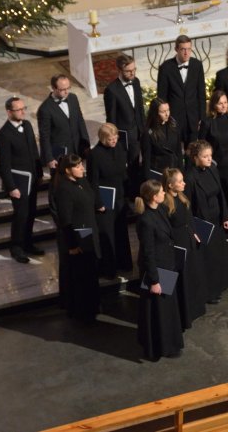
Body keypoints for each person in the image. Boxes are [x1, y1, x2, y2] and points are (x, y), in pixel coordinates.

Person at [135, 179, 184, 361]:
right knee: (157, 311)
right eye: (162, 192)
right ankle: (159, 347)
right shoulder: (146, 220)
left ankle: (170, 343)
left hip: (167, 265)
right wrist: (154, 281)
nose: (165, 194)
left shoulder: (161, 210)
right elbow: (148, 252)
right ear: (154, 197)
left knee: (167, 308)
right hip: (156, 271)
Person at [52, 154, 102, 322]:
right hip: (78, 234)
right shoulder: (64, 189)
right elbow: (66, 220)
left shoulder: (82, 181)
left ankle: (93, 306)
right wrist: (72, 245)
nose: (83, 168)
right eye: (78, 166)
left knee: (91, 271)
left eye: (82, 165)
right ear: (68, 170)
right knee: (81, 275)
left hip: (89, 231)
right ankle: (82, 311)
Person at [184, 140, 228, 303]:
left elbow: (221, 195)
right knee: (207, 259)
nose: (209, 159)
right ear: (195, 158)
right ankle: (209, 292)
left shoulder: (213, 169)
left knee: (218, 255)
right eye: (205, 156)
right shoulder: (189, 177)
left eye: (210, 156)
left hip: (217, 218)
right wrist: (193, 230)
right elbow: (188, 208)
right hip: (202, 223)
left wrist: (226, 216)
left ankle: (219, 285)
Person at [0, 96, 43, 263]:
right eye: (19, 109)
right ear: (9, 112)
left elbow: (34, 151)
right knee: (21, 215)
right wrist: (11, 187)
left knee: (31, 213)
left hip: (33, 179)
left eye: (24, 108)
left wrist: (39, 173)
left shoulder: (28, 125)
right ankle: (16, 247)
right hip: (19, 182)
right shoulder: (3, 135)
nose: (23, 112)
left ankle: (28, 243)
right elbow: (3, 164)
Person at [162, 168, 207, 329]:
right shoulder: (165, 203)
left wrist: (194, 232)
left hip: (188, 239)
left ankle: (193, 308)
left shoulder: (182, 196)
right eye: (180, 181)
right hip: (177, 242)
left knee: (191, 274)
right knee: (181, 278)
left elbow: (189, 217)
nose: (184, 183)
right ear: (170, 185)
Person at [86, 123, 132, 277]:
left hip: (119, 196)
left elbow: (124, 172)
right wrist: (98, 203)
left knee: (121, 232)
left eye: (115, 137)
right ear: (102, 139)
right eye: (110, 139)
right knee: (108, 234)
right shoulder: (94, 154)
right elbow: (93, 181)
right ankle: (109, 269)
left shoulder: (119, 147)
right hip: (104, 199)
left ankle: (124, 264)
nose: (114, 141)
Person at [200, 90, 228, 232]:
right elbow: (202, 145)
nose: (224, 106)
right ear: (213, 105)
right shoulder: (208, 123)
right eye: (220, 103)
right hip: (220, 166)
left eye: (225, 102)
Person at [104, 55, 145, 196]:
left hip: (140, 130)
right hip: (126, 136)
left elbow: (139, 108)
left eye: (134, 70)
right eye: (128, 71)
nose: (132, 73)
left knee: (141, 163)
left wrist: (144, 128)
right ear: (120, 70)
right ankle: (132, 195)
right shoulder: (112, 90)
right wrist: (116, 139)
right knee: (131, 167)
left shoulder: (136, 82)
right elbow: (111, 118)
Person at [157, 35, 206, 144]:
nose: (186, 52)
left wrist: (202, 118)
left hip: (193, 118)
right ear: (176, 49)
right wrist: (165, 118)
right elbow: (162, 96)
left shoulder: (197, 65)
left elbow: (201, 94)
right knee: (175, 153)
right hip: (174, 119)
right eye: (183, 49)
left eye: (189, 49)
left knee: (193, 152)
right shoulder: (166, 67)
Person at [37, 73, 90, 170]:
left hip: (77, 148)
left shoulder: (73, 98)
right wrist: (49, 158)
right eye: (62, 89)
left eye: (68, 88)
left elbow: (80, 121)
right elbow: (44, 136)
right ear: (53, 88)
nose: (66, 92)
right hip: (60, 154)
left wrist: (86, 143)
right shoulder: (45, 109)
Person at [142, 97, 183, 180]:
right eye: (163, 112)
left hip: (174, 170)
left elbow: (179, 151)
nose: (167, 114)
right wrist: (147, 178)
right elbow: (146, 158)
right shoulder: (149, 132)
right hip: (159, 172)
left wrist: (181, 171)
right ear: (155, 113)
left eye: (168, 110)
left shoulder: (173, 126)